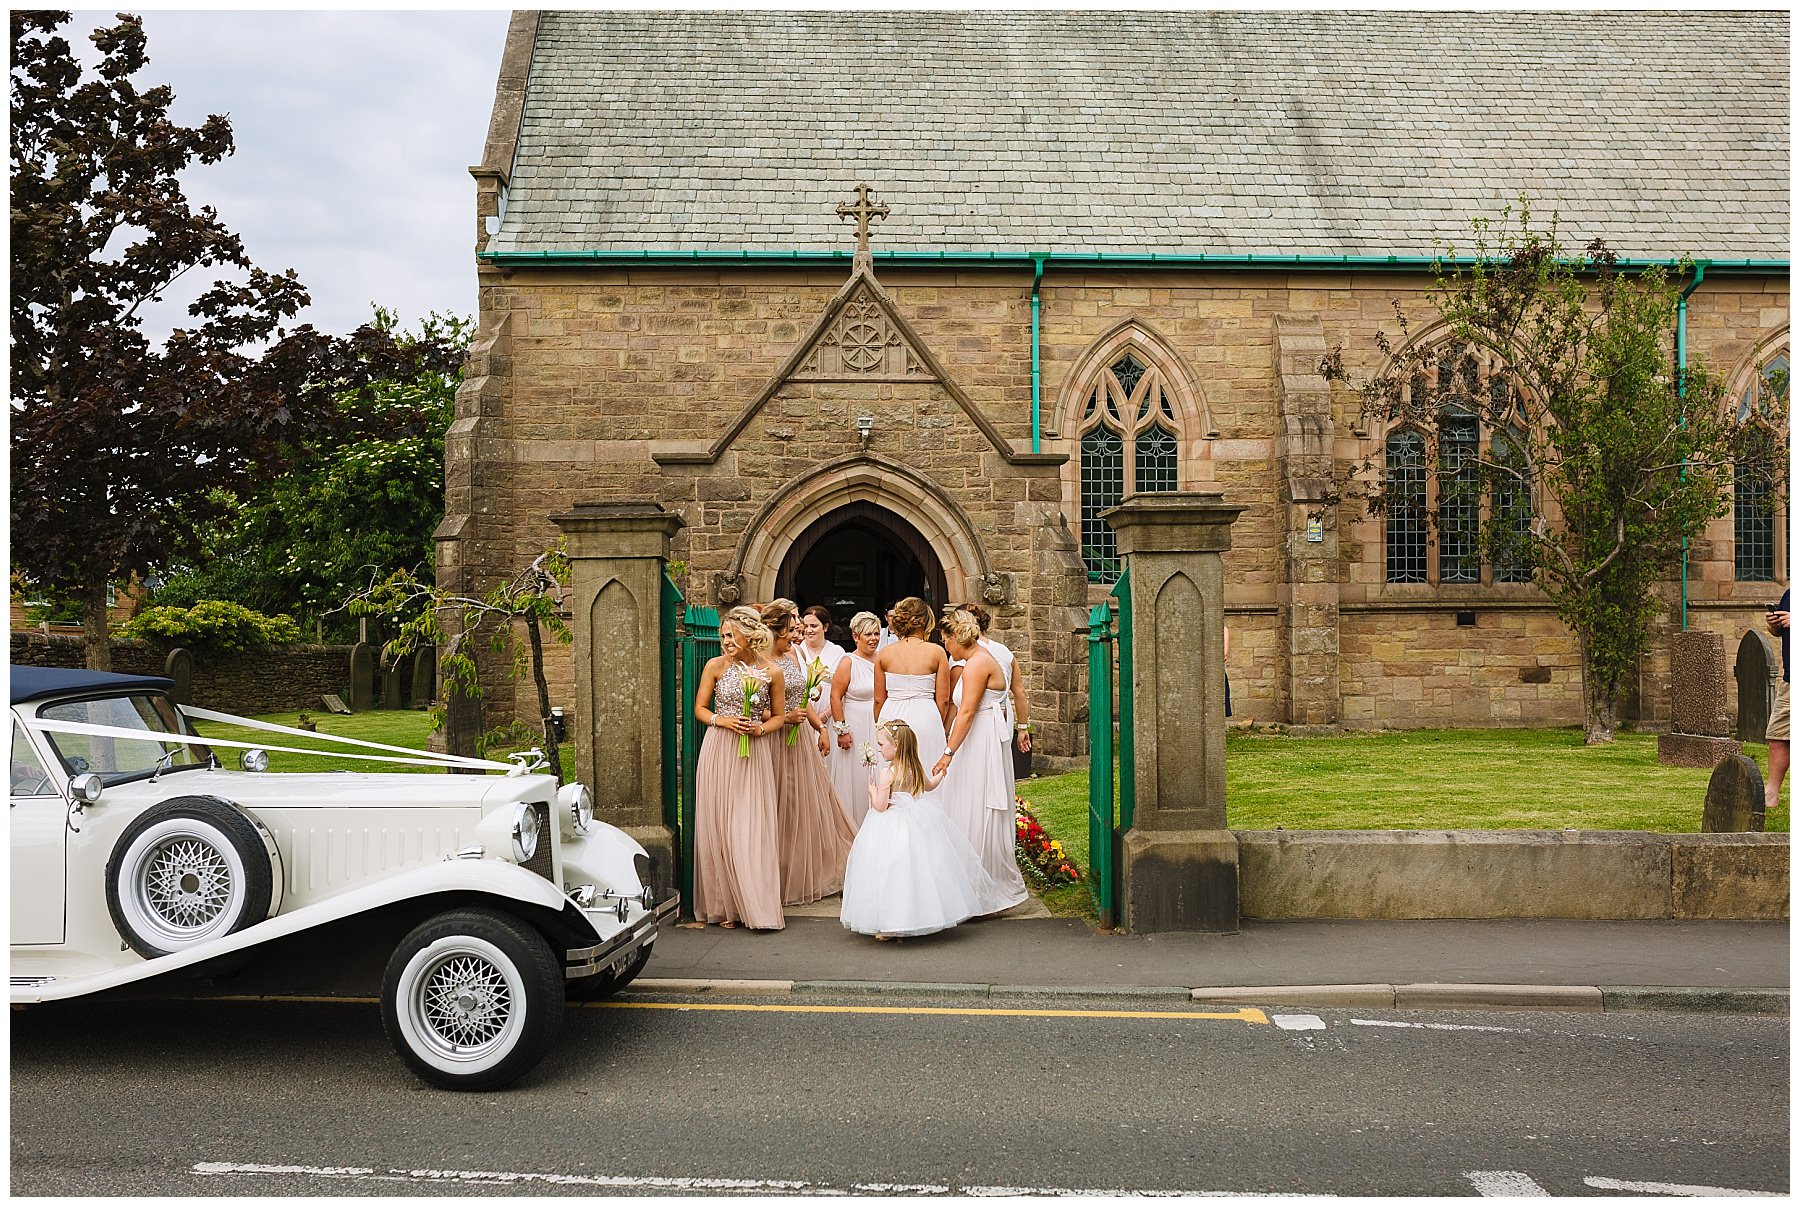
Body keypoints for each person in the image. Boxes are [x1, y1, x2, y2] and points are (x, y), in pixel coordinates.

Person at [839, 720, 1020, 939]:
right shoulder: (914, 768)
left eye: (881, 744)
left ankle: (892, 922)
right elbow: (930, 786)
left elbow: (880, 806)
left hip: (891, 826)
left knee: (891, 872)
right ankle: (915, 918)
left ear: (895, 745)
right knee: (918, 871)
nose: (879, 748)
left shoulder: (888, 773)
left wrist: (871, 790)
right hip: (916, 822)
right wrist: (942, 773)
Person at [686, 606, 785, 930]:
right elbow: (699, 709)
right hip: (719, 749)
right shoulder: (715, 666)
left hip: (753, 753)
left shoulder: (771, 671)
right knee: (721, 824)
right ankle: (726, 906)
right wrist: (723, 720)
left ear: (749, 635)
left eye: (731, 635)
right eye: (722, 636)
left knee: (749, 826)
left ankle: (753, 904)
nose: (725, 641)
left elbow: (780, 717)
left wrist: (760, 729)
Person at [933, 608, 1030, 911]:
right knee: (964, 802)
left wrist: (948, 752)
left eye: (945, 639)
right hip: (976, 737)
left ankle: (981, 888)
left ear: (955, 637)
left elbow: (967, 712)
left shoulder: (977, 665)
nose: (945, 646)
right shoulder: (973, 661)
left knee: (975, 804)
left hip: (979, 740)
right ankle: (967, 882)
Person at [764, 604, 857, 904]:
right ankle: (774, 874)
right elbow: (753, 703)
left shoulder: (795, 654)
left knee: (802, 803)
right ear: (775, 631)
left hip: (799, 736)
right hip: (773, 738)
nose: (797, 635)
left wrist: (821, 728)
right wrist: (778, 717)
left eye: (798, 630)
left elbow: (802, 702)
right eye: (791, 630)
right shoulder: (761, 658)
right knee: (775, 803)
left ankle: (804, 869)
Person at [873, 597, 950, 772]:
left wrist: (880, 724)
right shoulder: (937, 652)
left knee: (892, 772)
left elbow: (878, 699)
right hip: (927, 715)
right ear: (924, 621)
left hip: (891, 715)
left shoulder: (884, 654)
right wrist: (935, 722)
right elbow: (944, 700)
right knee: (927, 769)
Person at [828, 611, 883, 828]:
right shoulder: (848, 662)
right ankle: (853, 826)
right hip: (855, 724)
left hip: (879, 725)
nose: (873, 639)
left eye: (876, 633)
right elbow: (835, 696)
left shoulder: (884, 659)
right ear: (855, 636)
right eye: (867, 634)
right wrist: (842, 730)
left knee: (880, 775)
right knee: (857, 777)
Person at [798, 606, 847, 710]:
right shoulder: (796, 650)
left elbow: (843, 691)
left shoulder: (837, 652)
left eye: (813, 626)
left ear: (825, 627)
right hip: (801, 709)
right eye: (806, 626)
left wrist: (825, 715)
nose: (808, 630)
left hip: (829, 710)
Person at [1767, 588, 1789, 814]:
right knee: (1778, 737)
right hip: (1790, 680)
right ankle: (1771, 795)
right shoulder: (1791, 593)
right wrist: (1774, 624)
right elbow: (1779, 632)